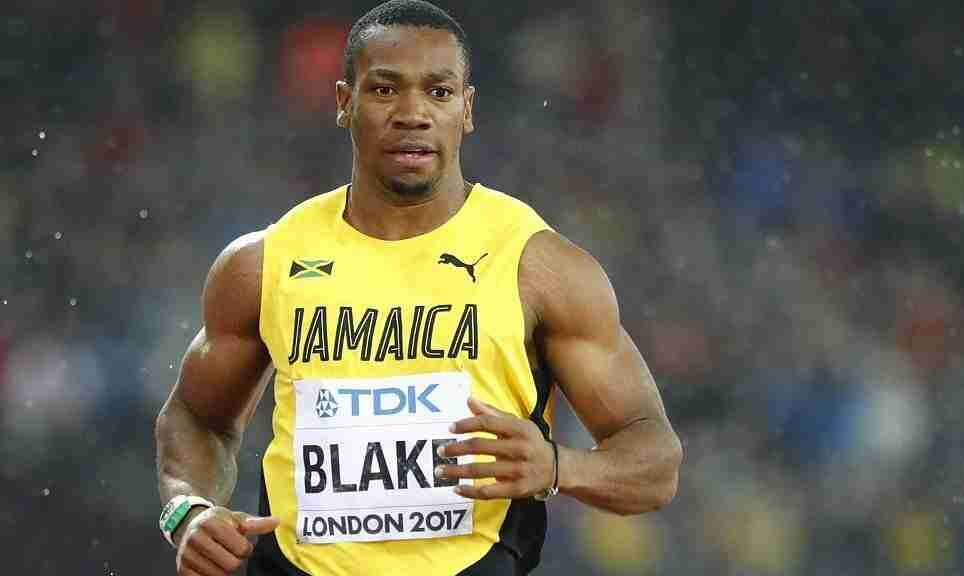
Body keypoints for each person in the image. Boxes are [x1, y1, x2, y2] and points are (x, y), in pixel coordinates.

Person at [154, 1, 683, 574]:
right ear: (344, 102)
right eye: (385, 90)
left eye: (439, 92)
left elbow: (655, 461)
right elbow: (196, 417)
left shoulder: (537, 267)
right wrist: (188, 508)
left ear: (467, 108)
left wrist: (558, 467)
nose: (412, 114)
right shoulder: (264, 263)